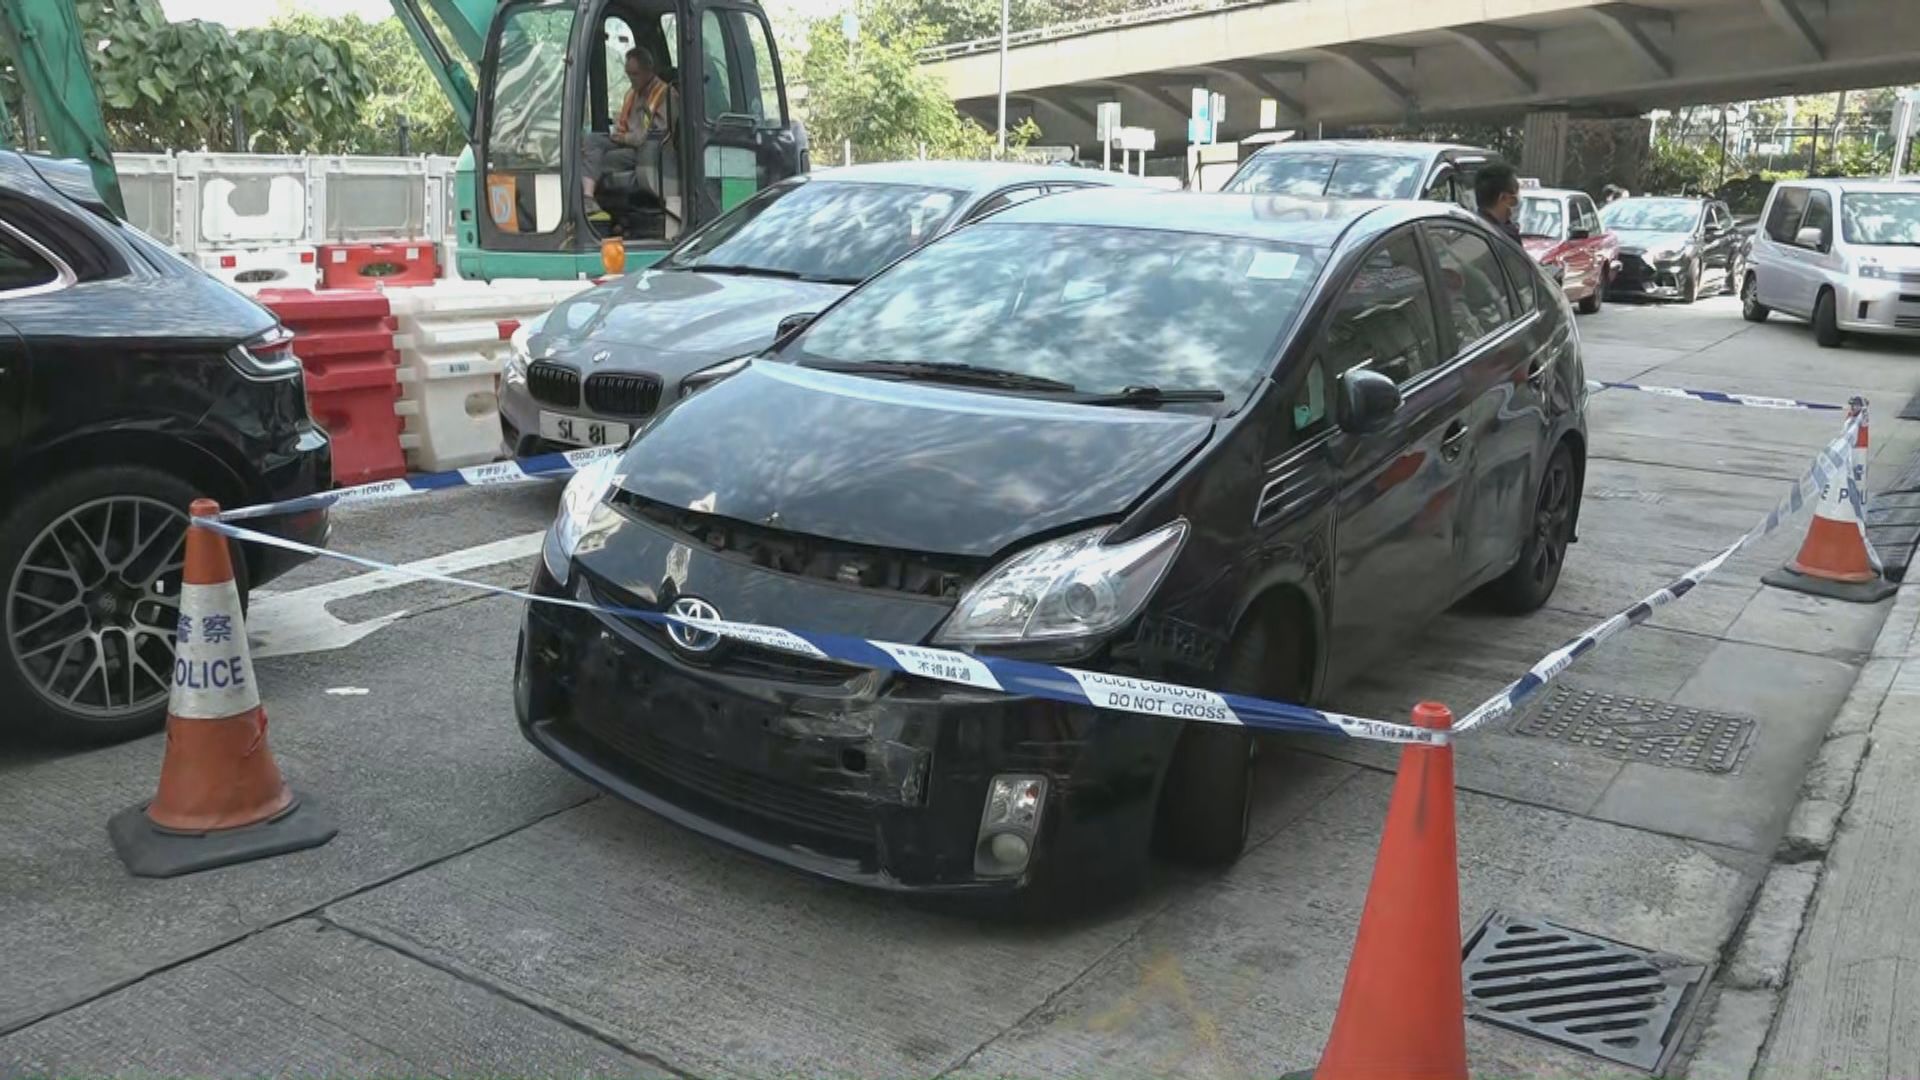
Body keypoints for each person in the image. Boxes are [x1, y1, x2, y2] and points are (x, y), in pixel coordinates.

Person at [583, 46, 677, 203]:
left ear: (649, 71)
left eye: (635, 74)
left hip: (649, 152)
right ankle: (587, 198)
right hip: (627, 141)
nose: (631, 79)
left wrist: (625, 139)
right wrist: (618, 134)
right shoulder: (633, 93)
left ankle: (589, 199)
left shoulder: (665, 96)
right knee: (590, 141)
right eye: (628, 74)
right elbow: (626, 124)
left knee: (602, 158)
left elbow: (656, 136)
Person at [1473, 162, 1524, 245]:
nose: (1518, 199)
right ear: (1503, 197)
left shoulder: (1469, 230)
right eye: (1516, 192)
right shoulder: (1505, 240)